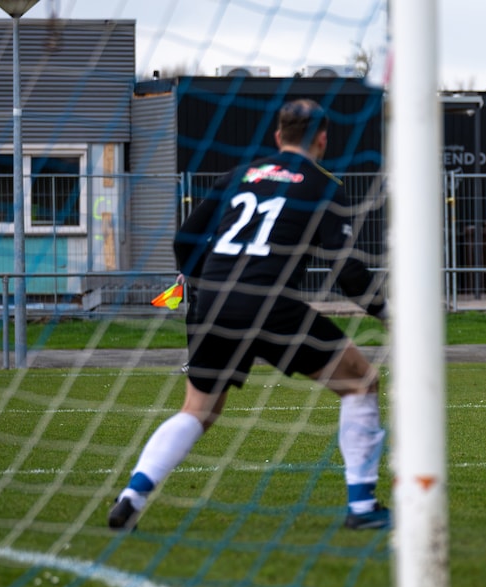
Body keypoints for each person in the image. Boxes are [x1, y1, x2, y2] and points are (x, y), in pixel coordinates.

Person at [109, 99, 391, 531]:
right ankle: (362, 507)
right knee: (360, 382)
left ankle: (132, 494)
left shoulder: (238, 176)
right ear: (322, 138)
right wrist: (387, 313)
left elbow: (185, 239)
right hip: (267, 302)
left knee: (197, 409)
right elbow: (346, 269)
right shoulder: (322, 184)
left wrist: (201, 282)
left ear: (278, 137)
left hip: (211, 303)